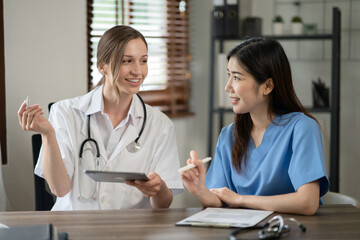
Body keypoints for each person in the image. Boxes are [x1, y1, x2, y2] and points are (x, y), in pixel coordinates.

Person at [18, 25, 183, 210]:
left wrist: (158, 189)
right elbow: (60, 189)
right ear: (102, 66)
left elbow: (163, 205)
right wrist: (48, 134)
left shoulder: (160, 125)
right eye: (127, 61)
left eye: (143, 61)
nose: (138, 71)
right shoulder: (64, 112)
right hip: (75, 229)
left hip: (131, 232)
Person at [180, 37, 329, 215]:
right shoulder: (229, 135)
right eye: (229, 76)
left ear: (267, 86)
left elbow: (307, 202)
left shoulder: (302, 128)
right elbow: (220, 199)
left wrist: (241, 199)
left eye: (236, 77)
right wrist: (200, 191)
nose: (228, 87)